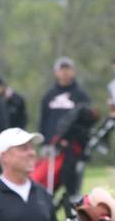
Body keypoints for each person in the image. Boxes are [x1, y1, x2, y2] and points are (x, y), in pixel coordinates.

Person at [39, 57, 92, 198]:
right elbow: (44, 120)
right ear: (56, 73)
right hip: (52, 148)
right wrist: (45, 142)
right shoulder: (49, 95)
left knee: (73, 187)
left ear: (73, 72)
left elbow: (86, 123)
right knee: (48, 186)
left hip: (73, 149)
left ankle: (74, 214)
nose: (65, 73)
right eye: (62, 70)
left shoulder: (81, 95)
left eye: (68, 69)